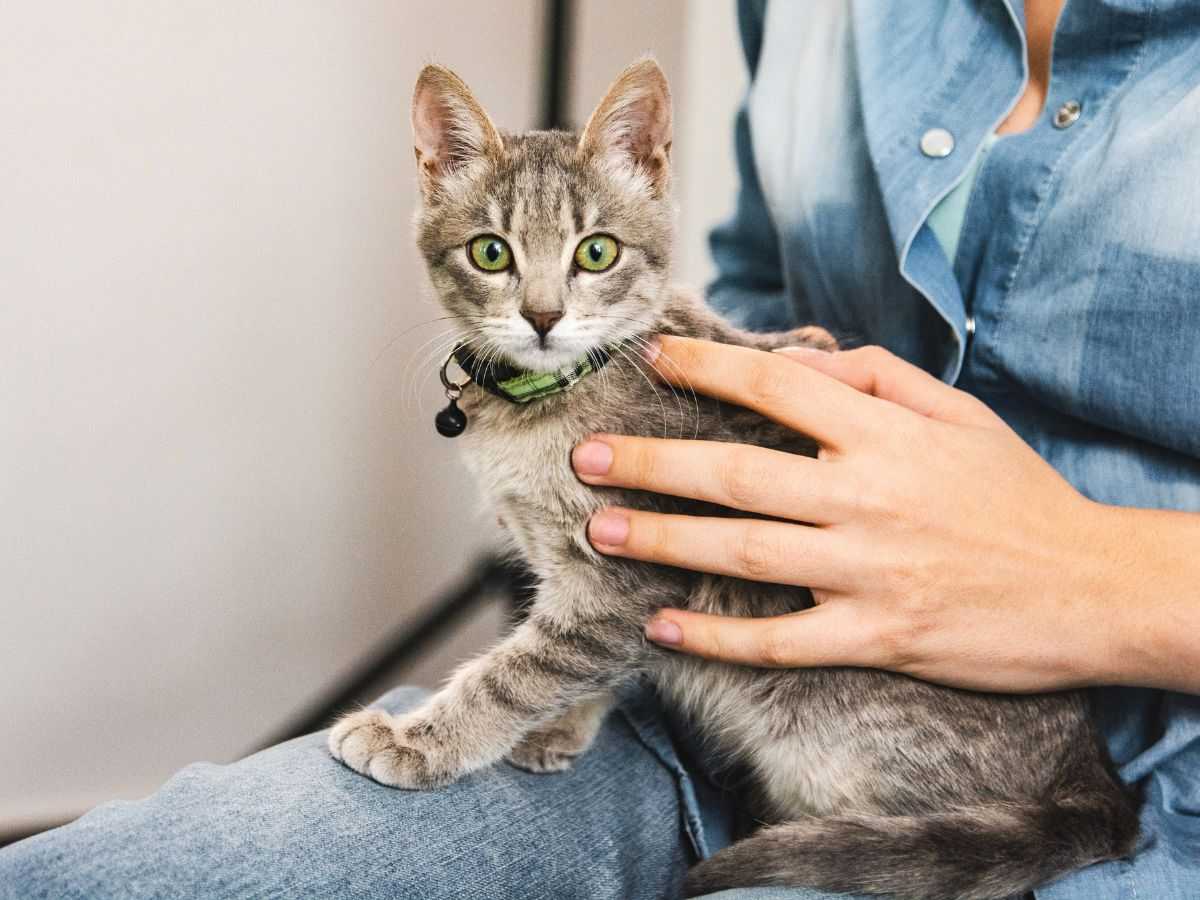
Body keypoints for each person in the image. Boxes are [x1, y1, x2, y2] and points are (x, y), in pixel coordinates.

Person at [3, 1, 1198, 897]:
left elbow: (607, 591)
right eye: (492, 259)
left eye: (570, 264)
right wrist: (742, 354)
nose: (535, 306)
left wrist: (1091, 566)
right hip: (680, 703)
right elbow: (742, 281)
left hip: (1026, 764)